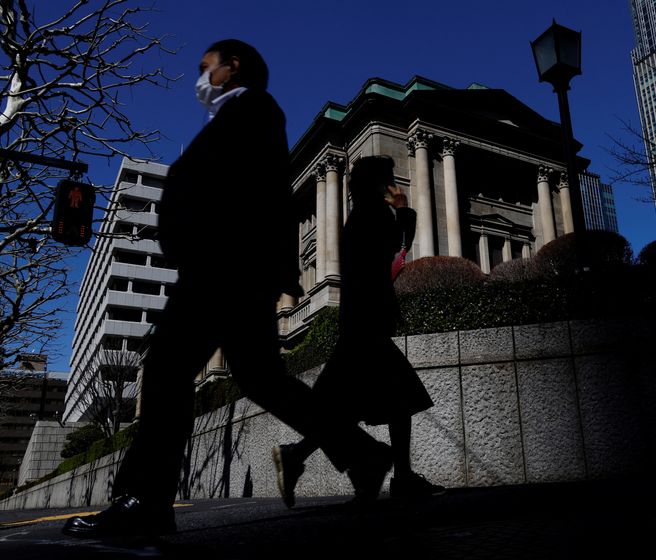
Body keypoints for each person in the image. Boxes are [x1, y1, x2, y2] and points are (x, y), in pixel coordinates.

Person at [62, 40, 391, 538]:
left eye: (205, 68)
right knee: (262, 378)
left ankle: (146, 500)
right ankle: (363, 454)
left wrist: (224, 253)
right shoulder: (241, 115)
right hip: (234, 267)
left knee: (168, 369)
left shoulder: (254, 109)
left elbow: (253, 193)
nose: (200, 78)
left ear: (231, 66)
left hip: (223, 266)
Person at [272, 156, 445, 509]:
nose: (392, 185)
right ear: (379, 184)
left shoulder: (356, 216)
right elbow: (398, 248)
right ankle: (398, 477)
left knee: (357, 405)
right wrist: (404, 209)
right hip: (367, 324)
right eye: (388, 180)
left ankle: (306, 456)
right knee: (397, 397)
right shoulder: (375, 215)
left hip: (358, 322)